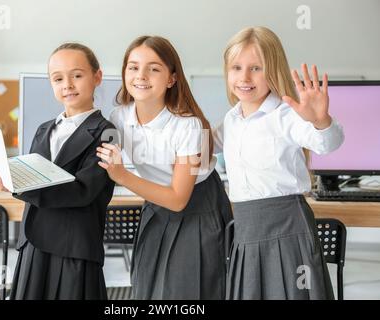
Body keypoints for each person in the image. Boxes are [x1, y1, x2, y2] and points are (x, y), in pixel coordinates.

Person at [213, 26, 344, 299]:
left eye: (256, 68)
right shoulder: (231, 120)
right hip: (247, 232)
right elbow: (199, 146)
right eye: (236, 67)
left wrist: (320, 121)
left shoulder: (287, 115)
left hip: (288, 231)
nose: (244, 77)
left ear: (273, 70)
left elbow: (327, 143)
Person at [96, 35, 232, 300]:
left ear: (171, 78)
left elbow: (179, 198)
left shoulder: (187, 125)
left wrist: (122, 175)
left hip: (198, 208)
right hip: (156, 206)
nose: (141, 75)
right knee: (148, 286)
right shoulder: (118, 117)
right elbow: (98, 161)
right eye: (133, 67)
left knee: (187, 291)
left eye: (154, 68)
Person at [0, 42, 115, 299]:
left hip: (73, 248)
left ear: (97, 77)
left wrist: (16, 184)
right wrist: (5, 174)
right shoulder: (44, 129)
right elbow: (33, 174)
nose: (68, 84)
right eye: (58, 78)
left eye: (77, 75)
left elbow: (81, 192)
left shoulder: (107, 132)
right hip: (33, 244)